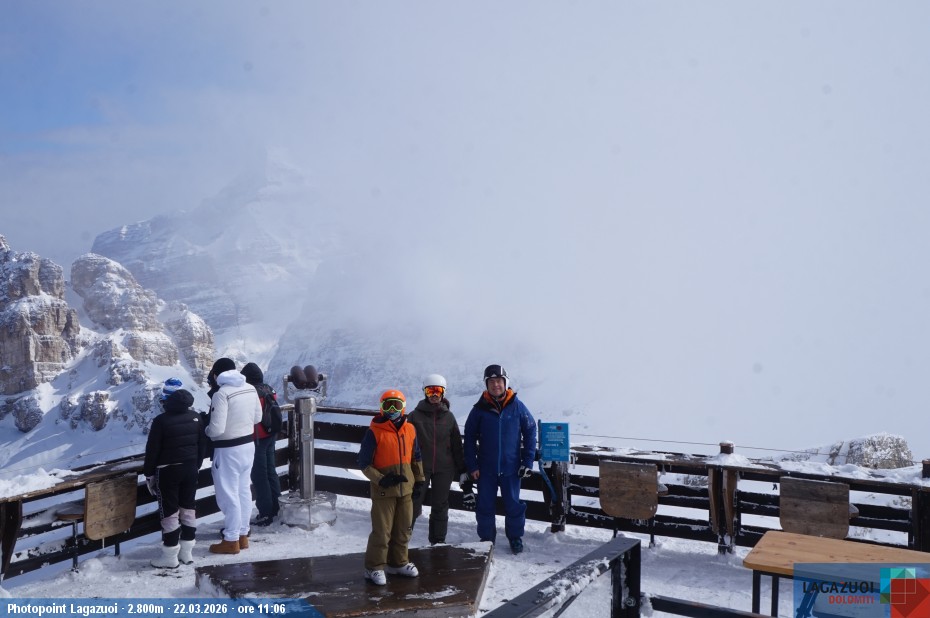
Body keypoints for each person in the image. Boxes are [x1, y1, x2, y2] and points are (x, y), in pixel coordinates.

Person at [463, 364, 537, 554]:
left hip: (511, 468)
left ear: (505, 383)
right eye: (491, 382)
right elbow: (469, 438)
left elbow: (530, 430)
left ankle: (515, 537)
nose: (496, 385)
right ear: (486, 384)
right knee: (485, 505)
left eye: (499, 381)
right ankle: (487, 539)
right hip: (485, 469)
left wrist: (527, 461)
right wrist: (472, 465)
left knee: (513, 505)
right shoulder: (479, 409)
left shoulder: (517, 406)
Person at [357, 389, 426, 586]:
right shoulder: (374, 432)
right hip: (384, 491)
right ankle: (374, 567)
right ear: (381, 408)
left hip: (406, 489)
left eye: (397, 405)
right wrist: (381, 479)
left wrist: (419, 479)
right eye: (388, 405)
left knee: (404, 529)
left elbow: (416, 457)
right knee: (382, 531)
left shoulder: (410, 429)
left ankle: (398, 563)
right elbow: (363, 463)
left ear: (403, 407)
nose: (393, 410)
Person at [144, 378, 205, 568]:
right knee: (188, 508)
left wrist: (149, 473)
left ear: (168, 402)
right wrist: (196, 465)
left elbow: (152, 450)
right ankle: (187, 551)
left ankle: (170, 556)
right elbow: (202, 445)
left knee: (169, 511)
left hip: (168, 470)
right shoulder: (196, 417)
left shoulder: (161, 421)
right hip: (190, 468)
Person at [204, 357, 262, 555]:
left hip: (227, 450)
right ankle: (243, 535)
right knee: (244, 491)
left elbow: (216, 429)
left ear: (216, 376)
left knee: (228, 494)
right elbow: (257, 418)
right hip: (248, 446)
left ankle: (231, 540)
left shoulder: (221, 394)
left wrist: (206, 430)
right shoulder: (250, 388)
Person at [407, 373, 465, 544]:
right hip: (420, 468)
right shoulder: (414, 416)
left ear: (443, 392)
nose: (434, 395)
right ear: (424, 392)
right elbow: (406, 442)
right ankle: (402, 538)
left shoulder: (449, 417)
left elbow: (456, 445)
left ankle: (438, 541)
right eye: (430, 391)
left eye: (437, 391)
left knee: (440, 504)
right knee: (413, 502)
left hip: (444, 468)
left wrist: (463, 469)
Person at [241, 362, 282, 527]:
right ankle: (277, 507)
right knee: (270, 471)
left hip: (257, 438)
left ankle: (265, 513)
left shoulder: (251, 392)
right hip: (271, 435)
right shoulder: (269, 389)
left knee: (259, 476)